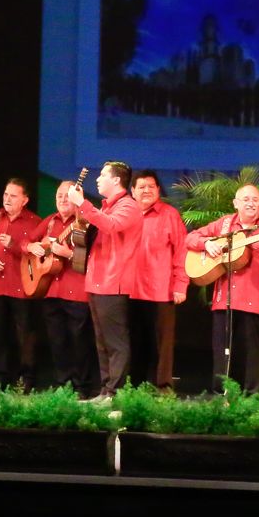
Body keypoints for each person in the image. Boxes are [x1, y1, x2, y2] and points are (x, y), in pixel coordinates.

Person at [184, 183, 259, 393]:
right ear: (235, 203)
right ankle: (222, 396)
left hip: (254, 301)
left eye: (255, 200)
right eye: (246, 199)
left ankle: (250, 400)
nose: (251, 204)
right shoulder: (224, 224)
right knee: (222, 354)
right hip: (225, 300)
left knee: (251, 355)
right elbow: (190, 237)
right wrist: (207, 244)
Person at [68, 161, 143, 397]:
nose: (98, 179)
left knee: (115, 342)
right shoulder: (107, 207)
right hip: (97, 281)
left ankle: (115, 393)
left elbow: (111, 226)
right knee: (102, 342)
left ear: (116, 180)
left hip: (113, 282)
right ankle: (106, 390)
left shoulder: (129, 206)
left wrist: (83, 203)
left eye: (102, 175)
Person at [26, 182, 95, 393]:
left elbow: (94, 259)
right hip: (51, 291)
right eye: (59, 196)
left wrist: (68, 254)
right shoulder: (49, 221)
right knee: (57, 342)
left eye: (67, 196)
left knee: (79, 343)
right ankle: (62, 385)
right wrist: (31, 246)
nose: (63, 199)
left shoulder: (85, 222)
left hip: (77, 291)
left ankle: (82, 387)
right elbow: (25, 241)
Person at [0, 178, 41, 390]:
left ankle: (26, 380)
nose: (8, 199)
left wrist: (13, 245)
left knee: (25, 336)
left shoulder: (34, 222)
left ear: (25, 200)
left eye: (13, 196)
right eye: (6, 194)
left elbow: (38, 253)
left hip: (22, 287)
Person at [127, 170, 189, 390]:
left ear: (158, 190)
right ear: (132, 191)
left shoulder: (170, 214)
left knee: (162, 346)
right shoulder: (126, 214)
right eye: (141, 187)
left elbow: (182, 251)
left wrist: (180, 285)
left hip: (161, 291)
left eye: (151, 186)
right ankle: (134, 389)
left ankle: (162, 389)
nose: (146, 190)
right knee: (134, 343)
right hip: (129, 291)